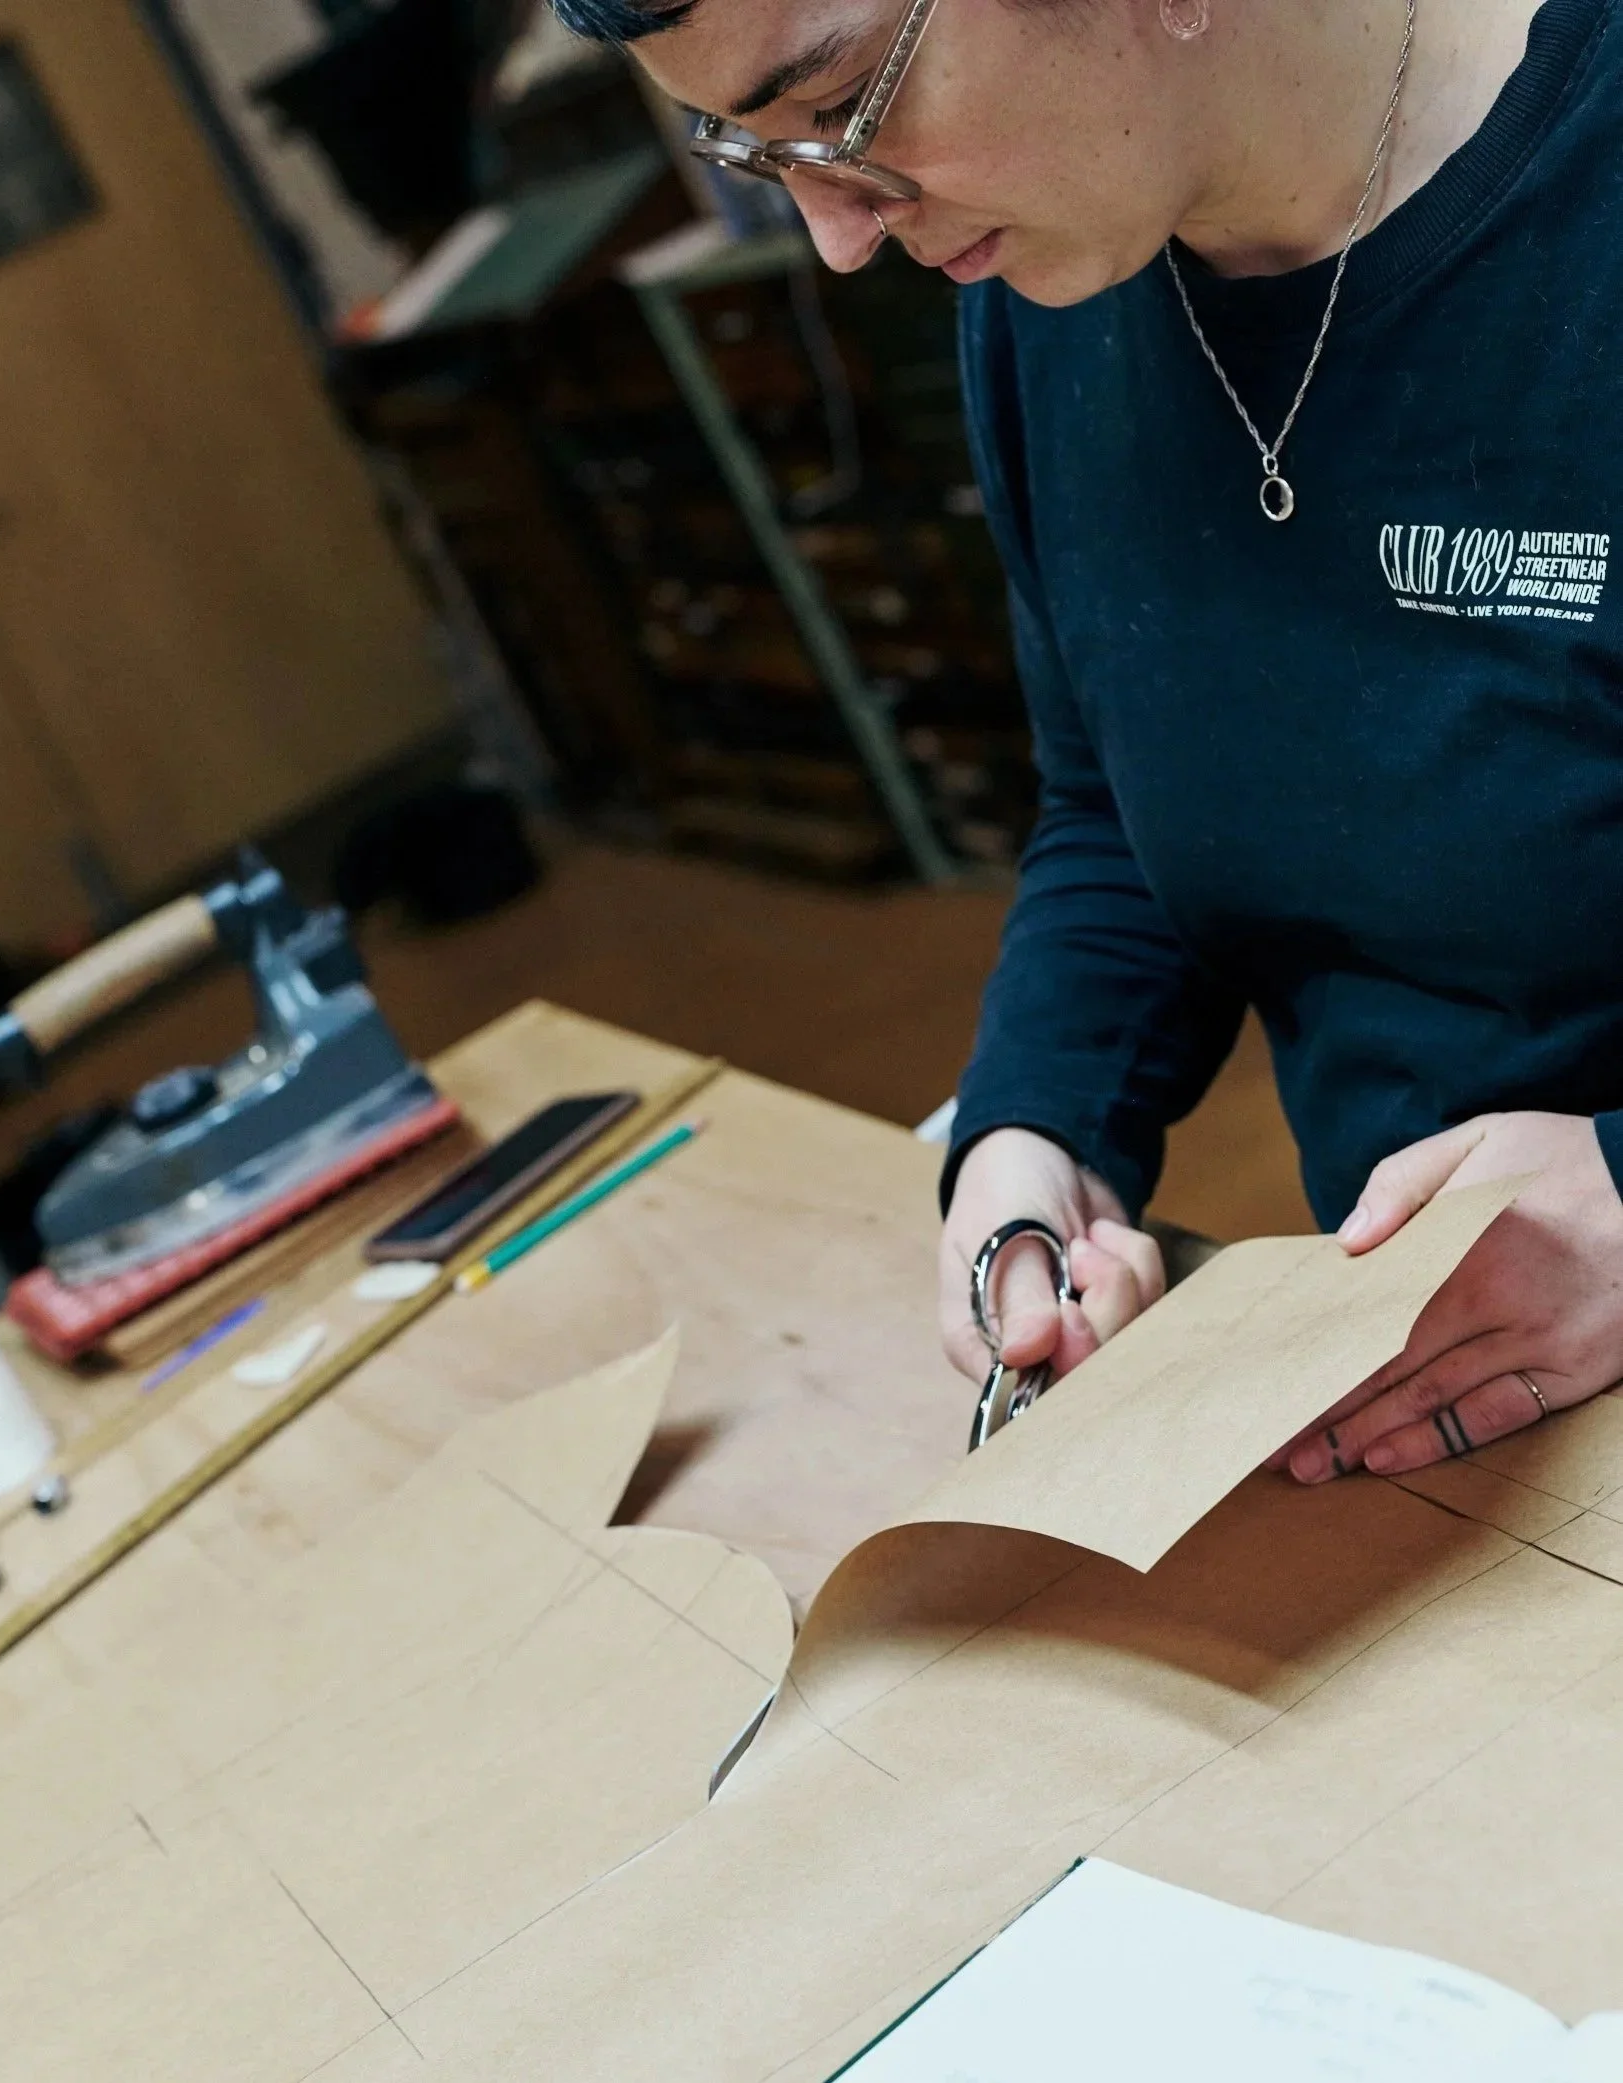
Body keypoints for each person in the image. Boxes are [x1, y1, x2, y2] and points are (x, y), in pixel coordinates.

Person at [551, 0, 1623, 1481]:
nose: (839, 239)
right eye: (758, 152)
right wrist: (1037, 1127)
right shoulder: (1052, 286)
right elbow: (1120, 805)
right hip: (1454, 1386)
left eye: (848, 109)